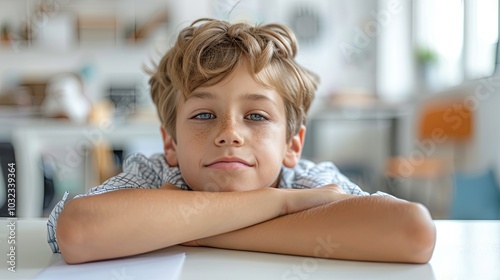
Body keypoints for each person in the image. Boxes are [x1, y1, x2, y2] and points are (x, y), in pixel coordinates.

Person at [48, 18, 436, 265]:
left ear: (292, 145)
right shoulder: (157, 171)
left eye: (256, 116)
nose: (229, 132)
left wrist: (186, 226)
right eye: (203, 115)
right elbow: (77, 231)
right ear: (171, 143)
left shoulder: (305, 179)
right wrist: (281, 204)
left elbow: (412, 231)